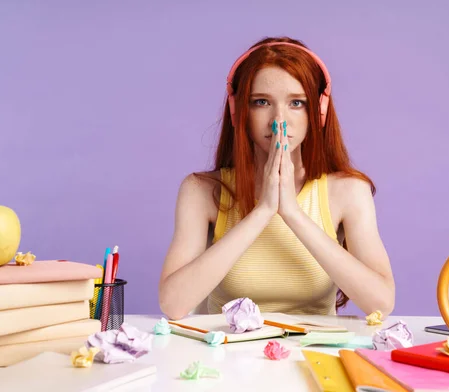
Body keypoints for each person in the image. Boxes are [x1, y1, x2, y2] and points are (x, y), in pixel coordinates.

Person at [158, 36, 395, 320]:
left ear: (318, 111)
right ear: (239, 111)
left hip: (314, 354)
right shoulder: (200, 191)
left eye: (296, 103)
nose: (278, 120)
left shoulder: (349, 191)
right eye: (261, 102)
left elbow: (381, 303)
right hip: (227, 355)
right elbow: (172, 304)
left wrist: (292, 213)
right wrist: (264, 211)